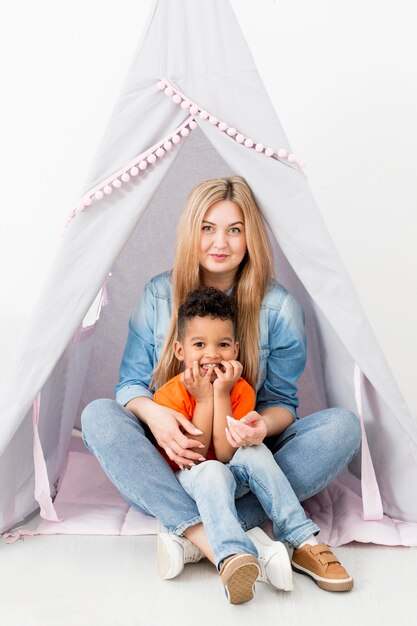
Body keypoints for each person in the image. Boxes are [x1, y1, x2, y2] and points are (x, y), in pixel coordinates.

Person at [81, 175, 361, 595]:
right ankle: (215, 542)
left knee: (343, 426)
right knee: (97, 416)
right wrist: (156, 417)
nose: (220, 242)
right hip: (174, 465)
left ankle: (196, 531)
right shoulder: (159, 295)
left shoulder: (278, 306)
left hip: (245, 457)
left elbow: (283, 403)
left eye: (234, 229)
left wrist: (259, 428)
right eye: (208, 228)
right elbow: (130, 385)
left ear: (251, 237)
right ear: (191, 232)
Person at [154, 286, 324, 604]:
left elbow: (226, 452)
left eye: (222, 345)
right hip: (192, 478)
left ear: (235, 349)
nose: (212, 354)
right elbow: (195, 456)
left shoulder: (239, 389)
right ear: (180, 351)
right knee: (212, 473)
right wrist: (204, 399)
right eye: (199, 344)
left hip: (230, 472)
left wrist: (219, 394)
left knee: (254, 452)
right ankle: (233, 556)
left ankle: (300, 537)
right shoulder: (169, 395)